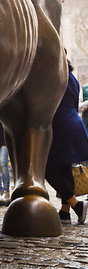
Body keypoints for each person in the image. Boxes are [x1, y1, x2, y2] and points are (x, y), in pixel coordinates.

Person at [46, 62, 88, 225]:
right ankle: (65, 212)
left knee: (48, 169)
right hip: (74, 123)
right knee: (64, 168)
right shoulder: (71, 77)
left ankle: (77, 205)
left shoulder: (54, 77)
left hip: (60, 125)